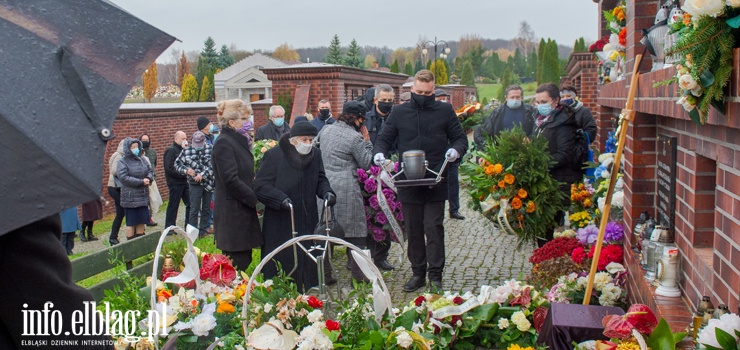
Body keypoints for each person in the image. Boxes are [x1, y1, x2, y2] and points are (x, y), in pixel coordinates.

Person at [372, 70, 468, 292]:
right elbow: (384, 139)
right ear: (412, 89)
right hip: (408, 181)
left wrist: (455, 150)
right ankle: (418, 273)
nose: (423, 95)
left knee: (433, 227)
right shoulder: (399, 113)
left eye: (428, 92)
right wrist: (378, 153)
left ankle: (435, 275)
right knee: (414, 230)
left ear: (433, 90)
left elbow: (460, 138)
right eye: (419, 92)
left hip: (435, 179)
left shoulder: (444, 111)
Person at [254, 121, 335, 292]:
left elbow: (320, 178)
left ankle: (309, 289)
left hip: (307, 216)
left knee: (308, 255)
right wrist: (280, 199)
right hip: (282, 219)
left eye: (311, 140)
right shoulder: (274, 156)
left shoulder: (316, 155)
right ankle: (280, 291)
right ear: (293, 140)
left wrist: (327, 192)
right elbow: (261, 186)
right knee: (284, 258)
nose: (308, 144)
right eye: (304, 140)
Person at [315, 100, 373, 281]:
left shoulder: (325, 130)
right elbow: (367, 163)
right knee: (356, 233)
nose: (363, 122)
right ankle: (359, 274)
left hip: (324, 187)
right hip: (347, 187)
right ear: (355, 118)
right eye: (362, 118)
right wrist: (368, 142)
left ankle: (324, 275)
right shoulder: (355, 137)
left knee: (325, 231)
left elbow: (316, 148)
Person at [211, 99, 264, 271]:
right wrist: (253, 198)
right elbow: (230, 180)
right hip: (232, 213)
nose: (248, 123)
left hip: (240, 209)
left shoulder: (238, 140)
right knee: (236, 263)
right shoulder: (224, 143)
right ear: (232, 122)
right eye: (244, 119)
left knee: (243, 259)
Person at [532, 83, 582, 246]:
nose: (540, 105)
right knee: (540, 230)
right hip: (544, 181)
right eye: (537, 101)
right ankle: (541, 264)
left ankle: (546, 265)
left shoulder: (564, 122)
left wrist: (539, 162)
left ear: (556, 101)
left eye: (544, 101)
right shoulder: (541, 120)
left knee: (548, 230)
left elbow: (564, 154)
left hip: (557, 183)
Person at [361, 84, 397, 270]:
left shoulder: (396, 119)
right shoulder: (365, 120)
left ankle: (382, 256)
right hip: (367, 174)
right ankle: (366, 255)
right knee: (369, 216)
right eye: (383, 101)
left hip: (389, 173)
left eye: (390, 101)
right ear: (375, 100)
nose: (387, 104)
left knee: (387, 215)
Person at [176, 131, 214, 237]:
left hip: (208, 182)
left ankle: (203, 230)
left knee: (207, 208)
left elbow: (214, 166)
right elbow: (177, 164)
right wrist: (186, 170)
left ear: (204, 141)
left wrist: (202, 175)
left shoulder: (210, 149)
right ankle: (192, 233)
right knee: (194, 209)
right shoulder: (187, 150)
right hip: (194, 184)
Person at [474, 84, 536, 150]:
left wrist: (530, 138)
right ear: (506, 97)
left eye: (518, 97)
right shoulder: (497, 113)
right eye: (512, 97)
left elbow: (537, 130)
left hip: (525, 151)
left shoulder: (530, 111)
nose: (515, 100)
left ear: (521, 97)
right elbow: (483, 132)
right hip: (502, 151)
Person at [434, 89, 465, 220]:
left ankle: (454, 209)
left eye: (444, 98)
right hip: (435, 156)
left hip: (450, 154)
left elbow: (458, 135)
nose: (443, 101)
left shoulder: (449, 112)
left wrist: (456, 150)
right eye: (439, 98)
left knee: (453, 182)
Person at [117, 137, 154, 240]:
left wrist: (148, 178)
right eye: (133, 147)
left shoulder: (142, 160)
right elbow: (123, 178)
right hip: (130, 197)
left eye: (136, 146)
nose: (135, 149)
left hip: (142, 196)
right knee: (131, 222)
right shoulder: (122, 162)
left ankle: (141, 241)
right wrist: (140, 182)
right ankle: (131, 243)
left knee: (142, 220)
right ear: (128, 148)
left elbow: (150, 171)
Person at [163, 131, 191, 229]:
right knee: (173, 205)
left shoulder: (184, 151)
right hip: (175, 182)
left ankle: (188, 225)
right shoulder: (171, 151)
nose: (185, 141)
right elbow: (169, 168)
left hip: (184, 182)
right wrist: (183, 172)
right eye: (182, 139)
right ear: (176, 139)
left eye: (185, 138)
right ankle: (169, 227)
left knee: (190, 203)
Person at [107, 139, 126, 245]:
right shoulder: (118, 156)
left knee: (120, 212)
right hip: (115, 187)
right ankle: (113, 237)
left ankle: (113, 237)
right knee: (121, 212)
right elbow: (114, 170)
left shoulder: (119, 155)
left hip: (116, 187)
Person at [139, 133, 159, 227]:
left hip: (152, 178)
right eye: (143, 140)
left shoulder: (152, 152)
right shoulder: (139, 153)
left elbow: (154, 163)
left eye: (147, 140)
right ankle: (146, 219)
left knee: (152, 200)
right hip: (143, 180)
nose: (145, 141)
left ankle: (149, 217)